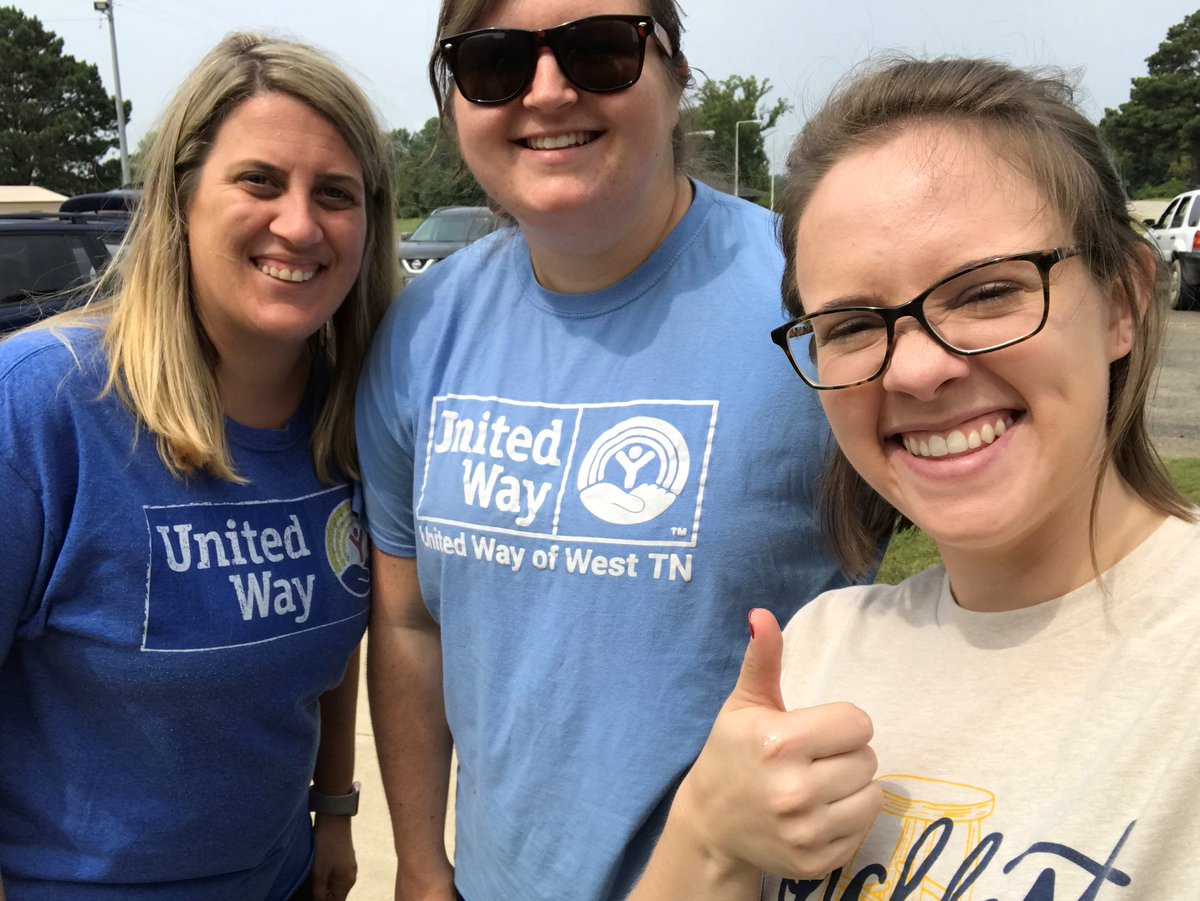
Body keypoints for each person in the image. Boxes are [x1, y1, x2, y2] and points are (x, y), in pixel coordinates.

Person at [630, 56, 1200, 899]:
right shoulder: (822, 648)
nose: (918, 369)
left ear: (1122, 300)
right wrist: (706, 832)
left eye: (986, 292)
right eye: (853, 324)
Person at [354, 2, 856, 899]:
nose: (548, 92)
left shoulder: (814, 303)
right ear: (454, 99)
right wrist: (422, 865)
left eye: (599, 49)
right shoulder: (423, 329)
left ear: (676, 74)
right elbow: (407, 623)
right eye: (494, 62)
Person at [0, 32, 396, 900]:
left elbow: (332, 644)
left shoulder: (351, 416)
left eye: (335, 193)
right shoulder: (39, 409)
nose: (300, 224)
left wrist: (334, 807)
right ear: (179, 201)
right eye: (259, 180)